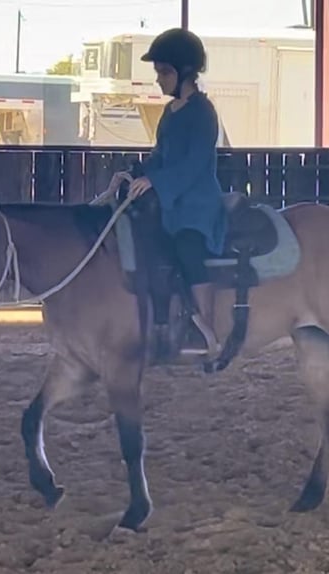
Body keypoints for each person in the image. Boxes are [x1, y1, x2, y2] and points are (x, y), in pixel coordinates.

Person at [108, 27, 227, 358]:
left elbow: (195, 162)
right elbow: (161, 155)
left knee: (188, 247)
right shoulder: (168, 113)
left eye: (164, 72)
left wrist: (158, 182)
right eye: (159, 72)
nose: (159, 79)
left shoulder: (203, 112)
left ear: (185, 72)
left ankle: (204, 330)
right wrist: (138, 173)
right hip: (170, 201)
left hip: (197, 205)